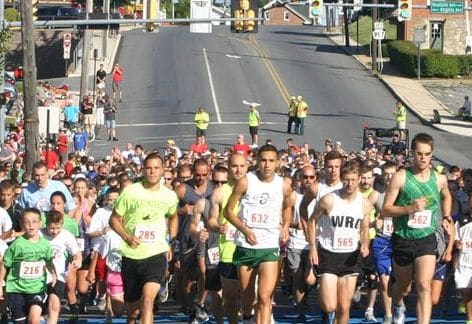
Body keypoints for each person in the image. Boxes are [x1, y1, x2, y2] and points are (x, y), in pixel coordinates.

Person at [382, 133, 452, 324]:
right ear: (412, 153)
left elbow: (446, 195)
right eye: (419, 154)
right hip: (403, 238)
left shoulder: (439, 179)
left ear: (432, 154)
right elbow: (386, 208)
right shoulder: (401, 177)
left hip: (427, 238)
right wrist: (409, 208)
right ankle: (397, 304)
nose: (423, 158)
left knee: (424, 285)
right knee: (404, 288)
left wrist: (446, 216)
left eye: (427, 154)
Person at [225, 144, 292, 323]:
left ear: (278, 162)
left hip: (269, 246)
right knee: (247, 296)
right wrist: (245, 230)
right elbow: (228, 211)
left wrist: (285, 225)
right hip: (246, 246)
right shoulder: (245, 181)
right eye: (263, 160)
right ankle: (247, 317)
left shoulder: (283, 185)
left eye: (271, 161)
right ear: (257, 161)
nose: (267, 165)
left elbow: (287, 207)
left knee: (264, 296)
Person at [110, 153, 179, 324]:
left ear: (163, 170)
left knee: (148, 301)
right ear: (143, 169)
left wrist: (170, 240)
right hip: (131, 254)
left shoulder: (169, 195)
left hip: (156, 253)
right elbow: (114, 219)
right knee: (133, 310)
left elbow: (173, 216)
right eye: (148, 168)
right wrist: (127, 236)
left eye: (156, 168)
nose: (152, 172)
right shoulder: (131, 192)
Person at [307, 161, 371, 324]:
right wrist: (313, 247)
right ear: (342, 179)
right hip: (329, 254)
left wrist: (364, 244)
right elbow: (312, 221)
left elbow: (364, 230)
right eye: (347, 180)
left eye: (353, 180)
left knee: (344, 306)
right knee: (329, 306)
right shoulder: (329, 200)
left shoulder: (364, 204)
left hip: (350, 256)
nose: (350, 184)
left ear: (358, 179)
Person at [207, 153, 248, 324]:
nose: (238, 170)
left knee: (252, 296)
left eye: (241, 166)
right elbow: (210, 221)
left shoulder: (256, 189)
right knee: (230, 299)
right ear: (229, 168)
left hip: (252, 250)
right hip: (228, 252)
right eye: (234, 166)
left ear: (247, 167)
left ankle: (249, 318)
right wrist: (217, 226)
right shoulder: (220, 192)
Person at [0, 208, 57, 323]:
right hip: (16, 290)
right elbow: (5, 265)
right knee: (21, 321)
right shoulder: (17, 245)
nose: (31, 225)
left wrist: (53, 274)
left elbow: (49, 262)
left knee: (34, 318)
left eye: (35, 221)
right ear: (21, 224)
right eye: (27, 222)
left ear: (40, 223)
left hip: (37, 289)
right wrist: (0, 284)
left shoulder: (45, 244)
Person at [287, 166, 318, 322]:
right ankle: (301, 311)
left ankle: (308, 295)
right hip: (296, 242)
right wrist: (293, 224)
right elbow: (283, 218)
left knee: (310, 279)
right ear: (300, 178)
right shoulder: (293, 196)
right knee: (298, 278)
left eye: (311, 177)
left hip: (314, 243)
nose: (308, 181)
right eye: (305, 177)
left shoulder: (319, 195)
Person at [368, 161, 397, 324]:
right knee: (384, 279)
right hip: (382, 241)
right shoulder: (376, 195)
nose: (389, 177)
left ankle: (398, 306)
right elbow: (362, 214)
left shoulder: (403, 194)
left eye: (392, 174)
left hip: (400, 240)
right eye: (386, 174)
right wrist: (373, 223)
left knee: (400, 282)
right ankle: (388, 315)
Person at [43, 210, 82, 324]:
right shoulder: (39, 234)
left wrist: (78, 259)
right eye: (51, 228)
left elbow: (76, 252)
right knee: (41, 308)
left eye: (58, 228)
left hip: (58, 275)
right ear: (46, 224)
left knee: (54, 304)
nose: (55, 231)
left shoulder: (66, 235)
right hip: (40, 276)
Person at [454, 191, 472, 324]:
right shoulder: (461, 220)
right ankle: (469, 319)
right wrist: (457, 243)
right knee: (466, 291)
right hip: (464, 260)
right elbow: (455, 238)